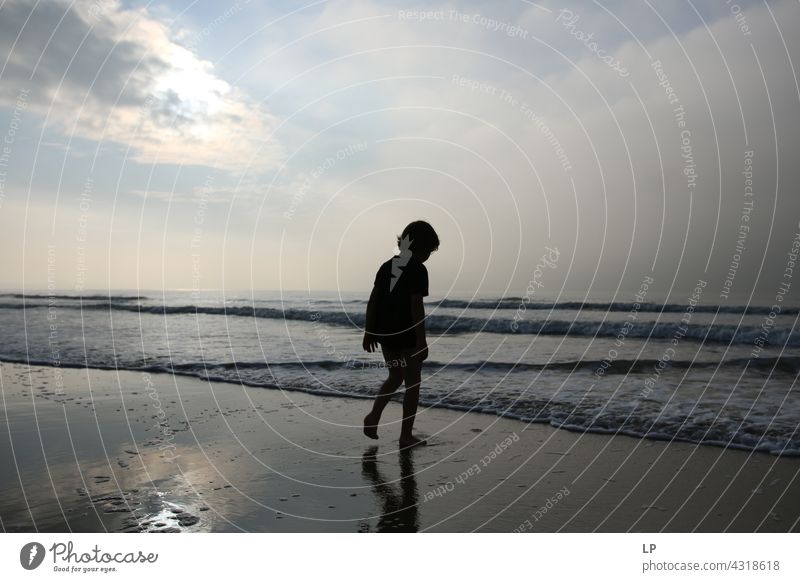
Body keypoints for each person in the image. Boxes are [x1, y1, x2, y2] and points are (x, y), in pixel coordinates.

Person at [362, 220, 439, 449]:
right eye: (429, 252)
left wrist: (369, 331)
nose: (428, 257)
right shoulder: (418, 269)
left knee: (395, 376)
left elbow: (374, 299)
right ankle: (406, 436)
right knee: (413, 384)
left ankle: (373, 416)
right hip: (407, 336)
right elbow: (416, 305)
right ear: (424, 248)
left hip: (386, 334)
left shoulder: (387, 266)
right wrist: (422, 341)